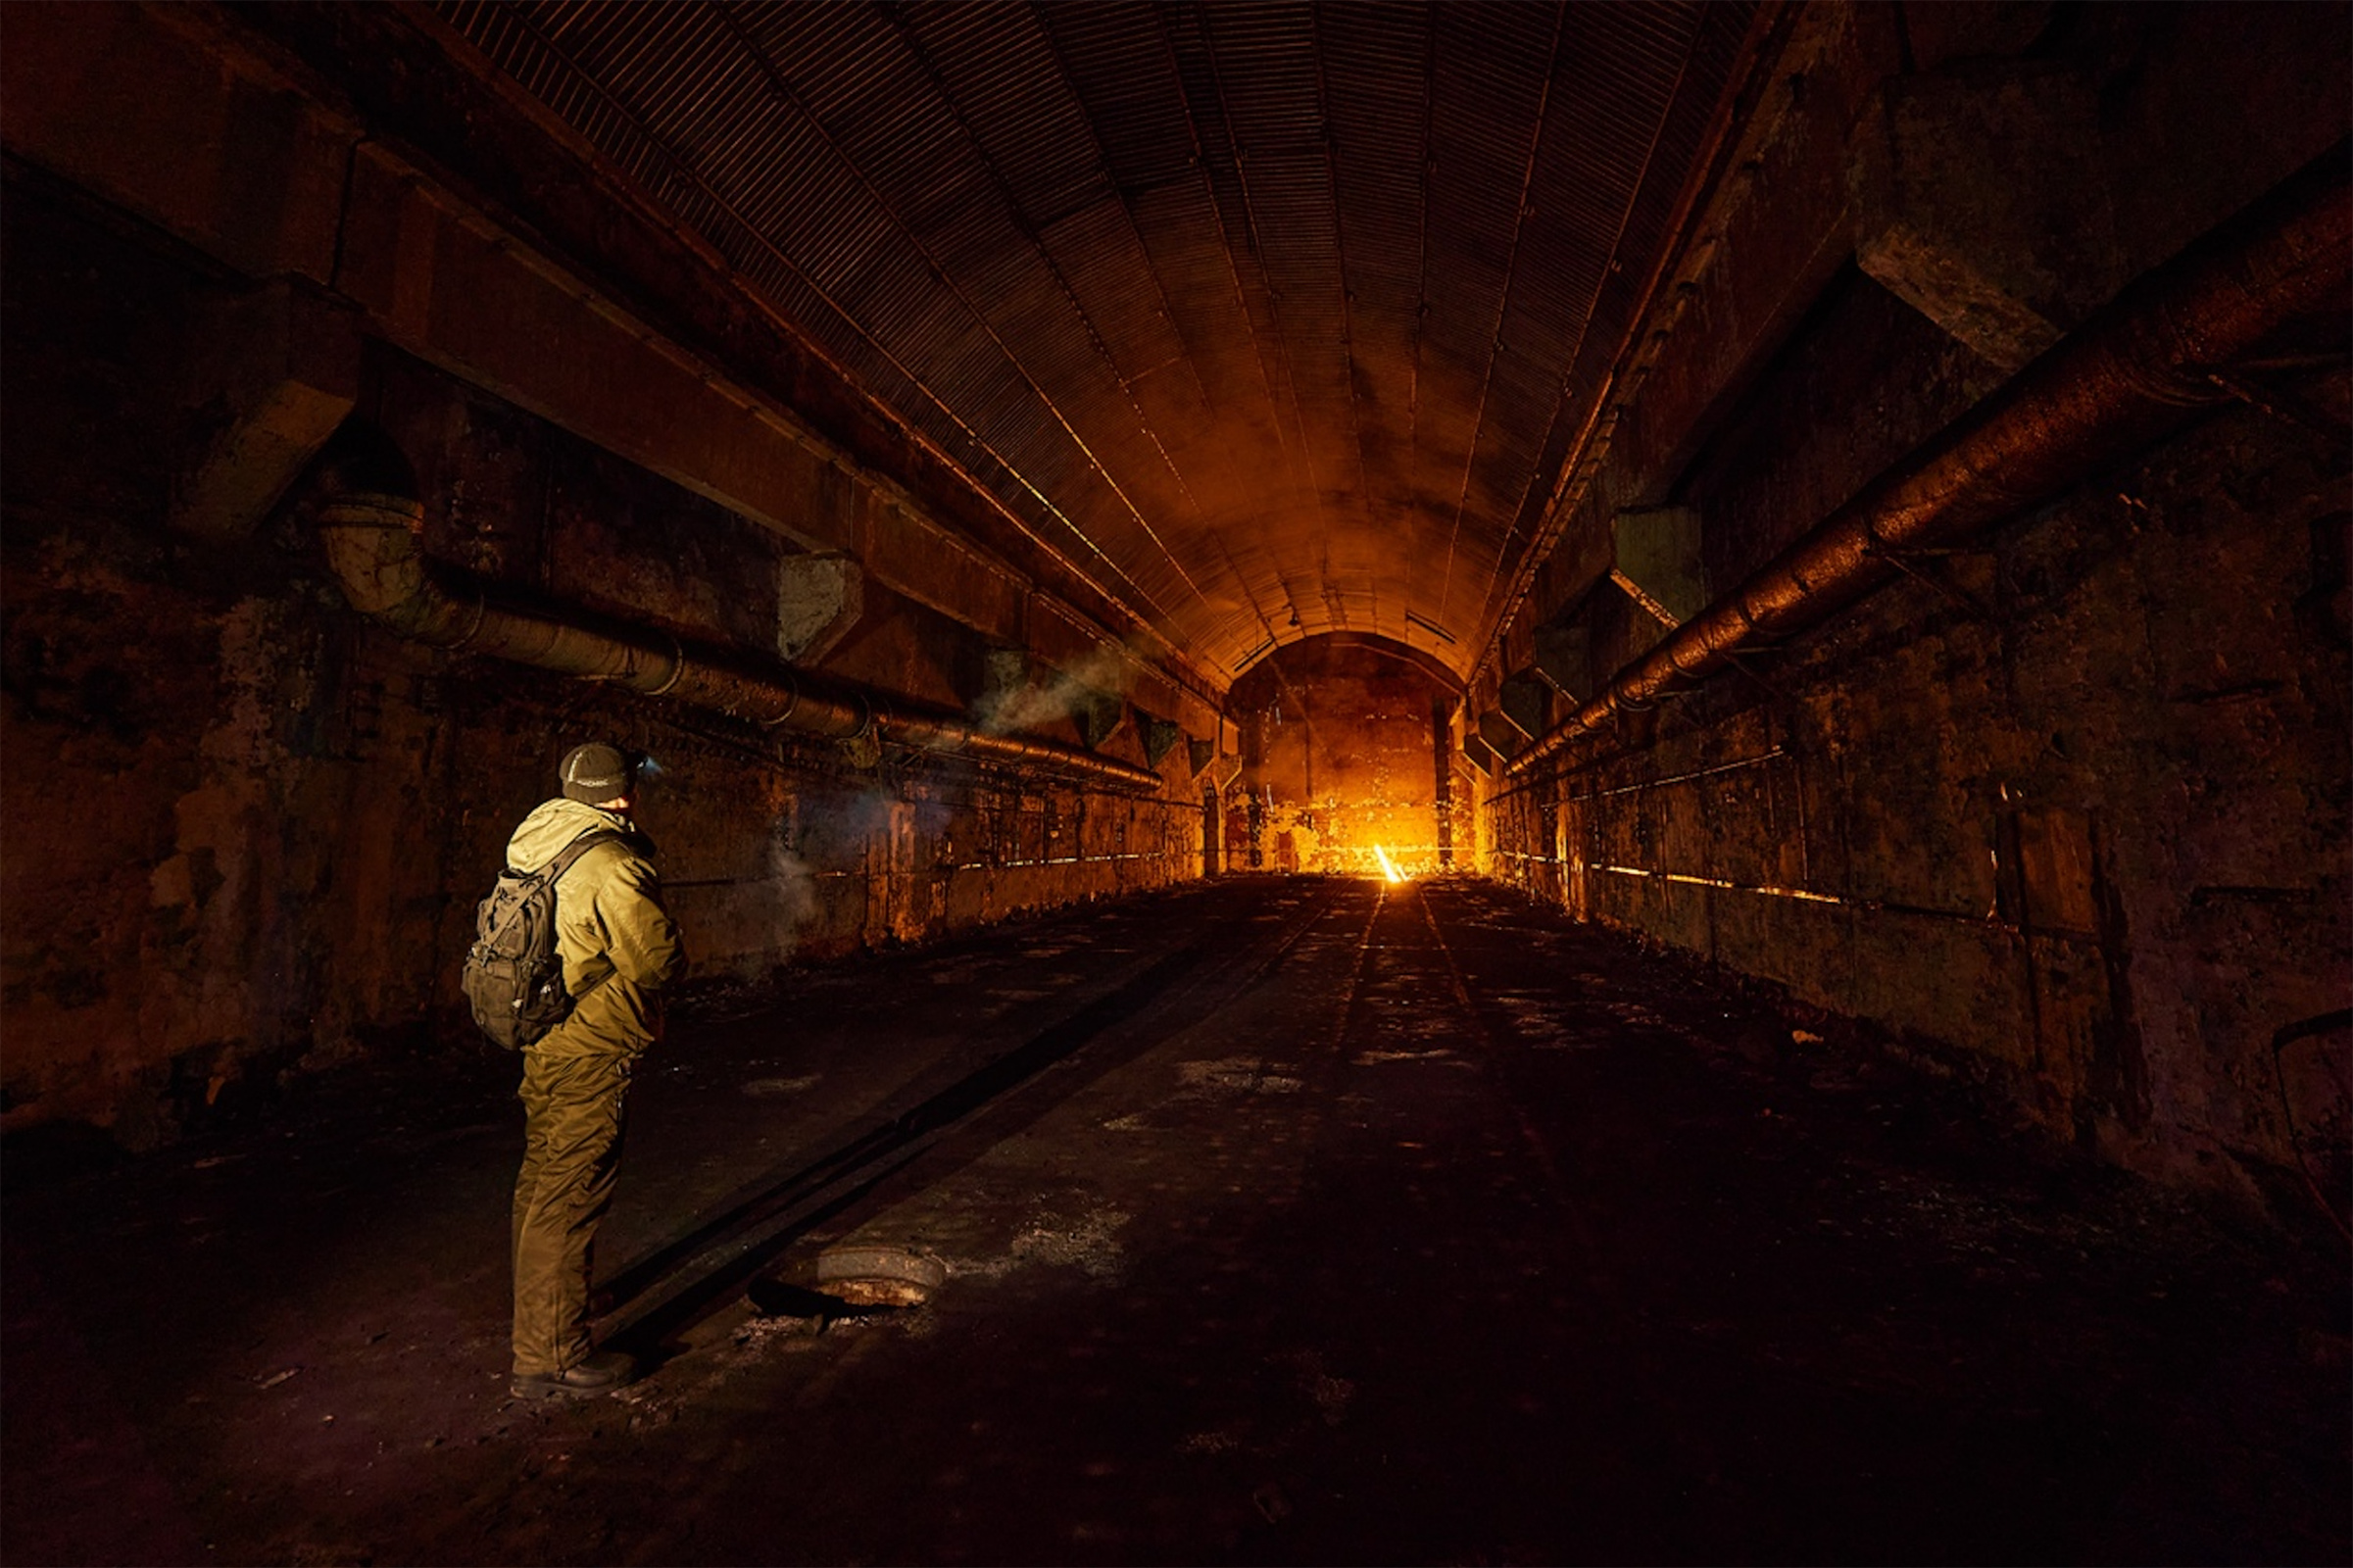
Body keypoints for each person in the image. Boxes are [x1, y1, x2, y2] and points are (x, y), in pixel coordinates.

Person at [505, 741, 686, 1399]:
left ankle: (552, 1305)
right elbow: (654, 962)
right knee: (570, 1194)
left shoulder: (540, 838)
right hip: (591, 1045)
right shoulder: (611, 864)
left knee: (542, 1182)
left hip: (546, 1038)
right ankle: (550, 1357)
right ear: (622, 793)